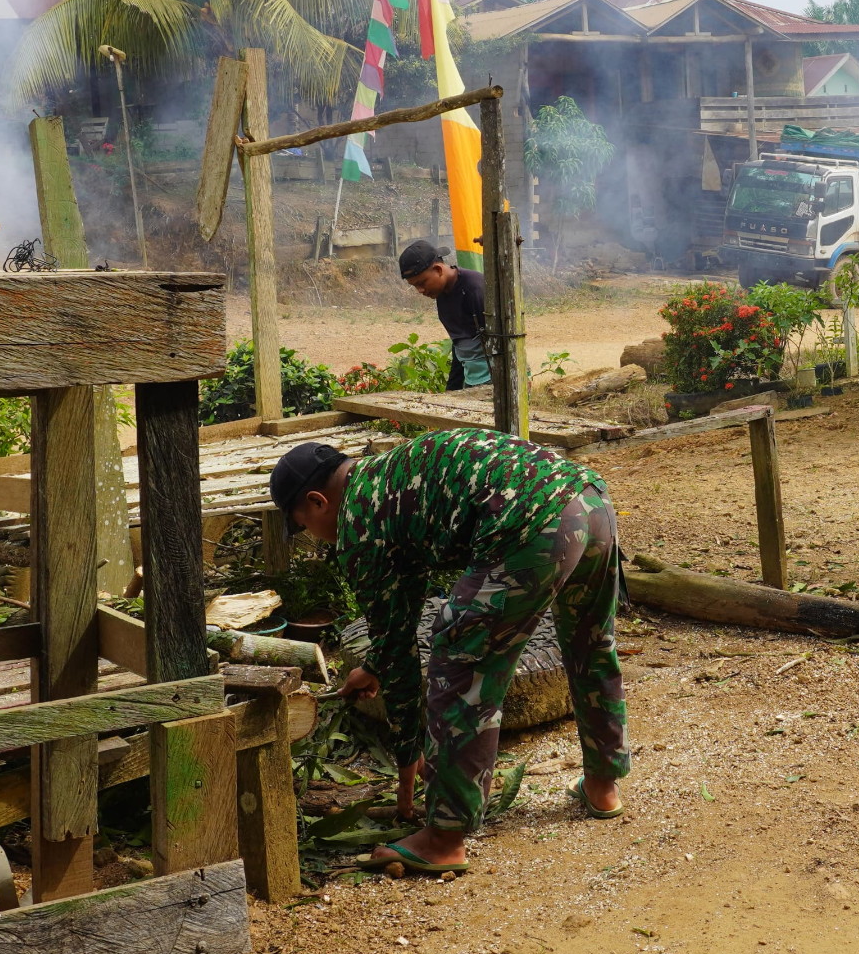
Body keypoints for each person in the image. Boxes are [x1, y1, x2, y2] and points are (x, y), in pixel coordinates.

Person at [269, 430, 630, 873]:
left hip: (531, 524)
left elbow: (401, 653)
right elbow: (396, 622)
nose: (312, 536)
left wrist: (406, 760)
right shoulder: (387, 476)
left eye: (302, 525)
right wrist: (374, 665)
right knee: (589, 643)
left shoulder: (359, 522)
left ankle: (443, 838)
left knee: (460, 664)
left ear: (317, 501)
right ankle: (602, 784)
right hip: (589, 498)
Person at [398, 239, 490, 391]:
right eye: (414, 286)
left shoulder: (474, 288)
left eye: (422, 283)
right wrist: (452, 390)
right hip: (473, 380)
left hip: (496, 380)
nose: (420, 291)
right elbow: (459, 345)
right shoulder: (443, 292)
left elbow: (503, 339)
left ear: (438, 269)